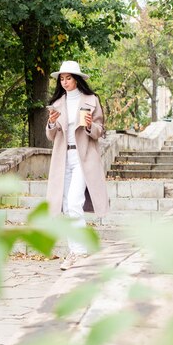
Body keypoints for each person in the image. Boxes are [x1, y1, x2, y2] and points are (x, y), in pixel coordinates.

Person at [45, 60, 109, 270]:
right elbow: (51, 135)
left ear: (77, 79)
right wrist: (52, 122)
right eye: (61, 79)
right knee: (65, 205)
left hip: (84, 157)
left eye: (68, 78)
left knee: (74, 202)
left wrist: (90, 125)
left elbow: (100, 129)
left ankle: (80, 253)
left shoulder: (91, 100)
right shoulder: (56, 104)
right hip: (62, 158)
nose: (64, 82)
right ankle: (75, 252)